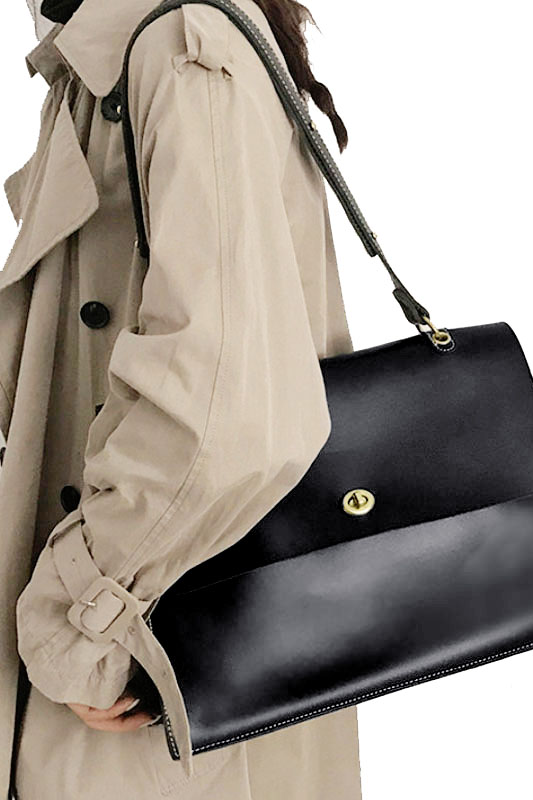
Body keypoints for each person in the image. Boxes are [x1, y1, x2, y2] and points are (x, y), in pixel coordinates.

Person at [0, 0, 362, 796]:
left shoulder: (180, 52)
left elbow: (228, 408)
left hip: (152, 693)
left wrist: (80, 622)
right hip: (159, 674)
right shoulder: (116, 56)